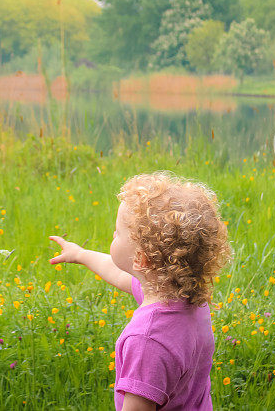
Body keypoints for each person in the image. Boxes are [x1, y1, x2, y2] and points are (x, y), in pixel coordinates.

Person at [49, 171, 233, 410]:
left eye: (118, 232)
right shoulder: (185, 298)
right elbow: (117, 273)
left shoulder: (147, 340)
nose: (113, 234)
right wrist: (81, 255)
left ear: (140, 258)